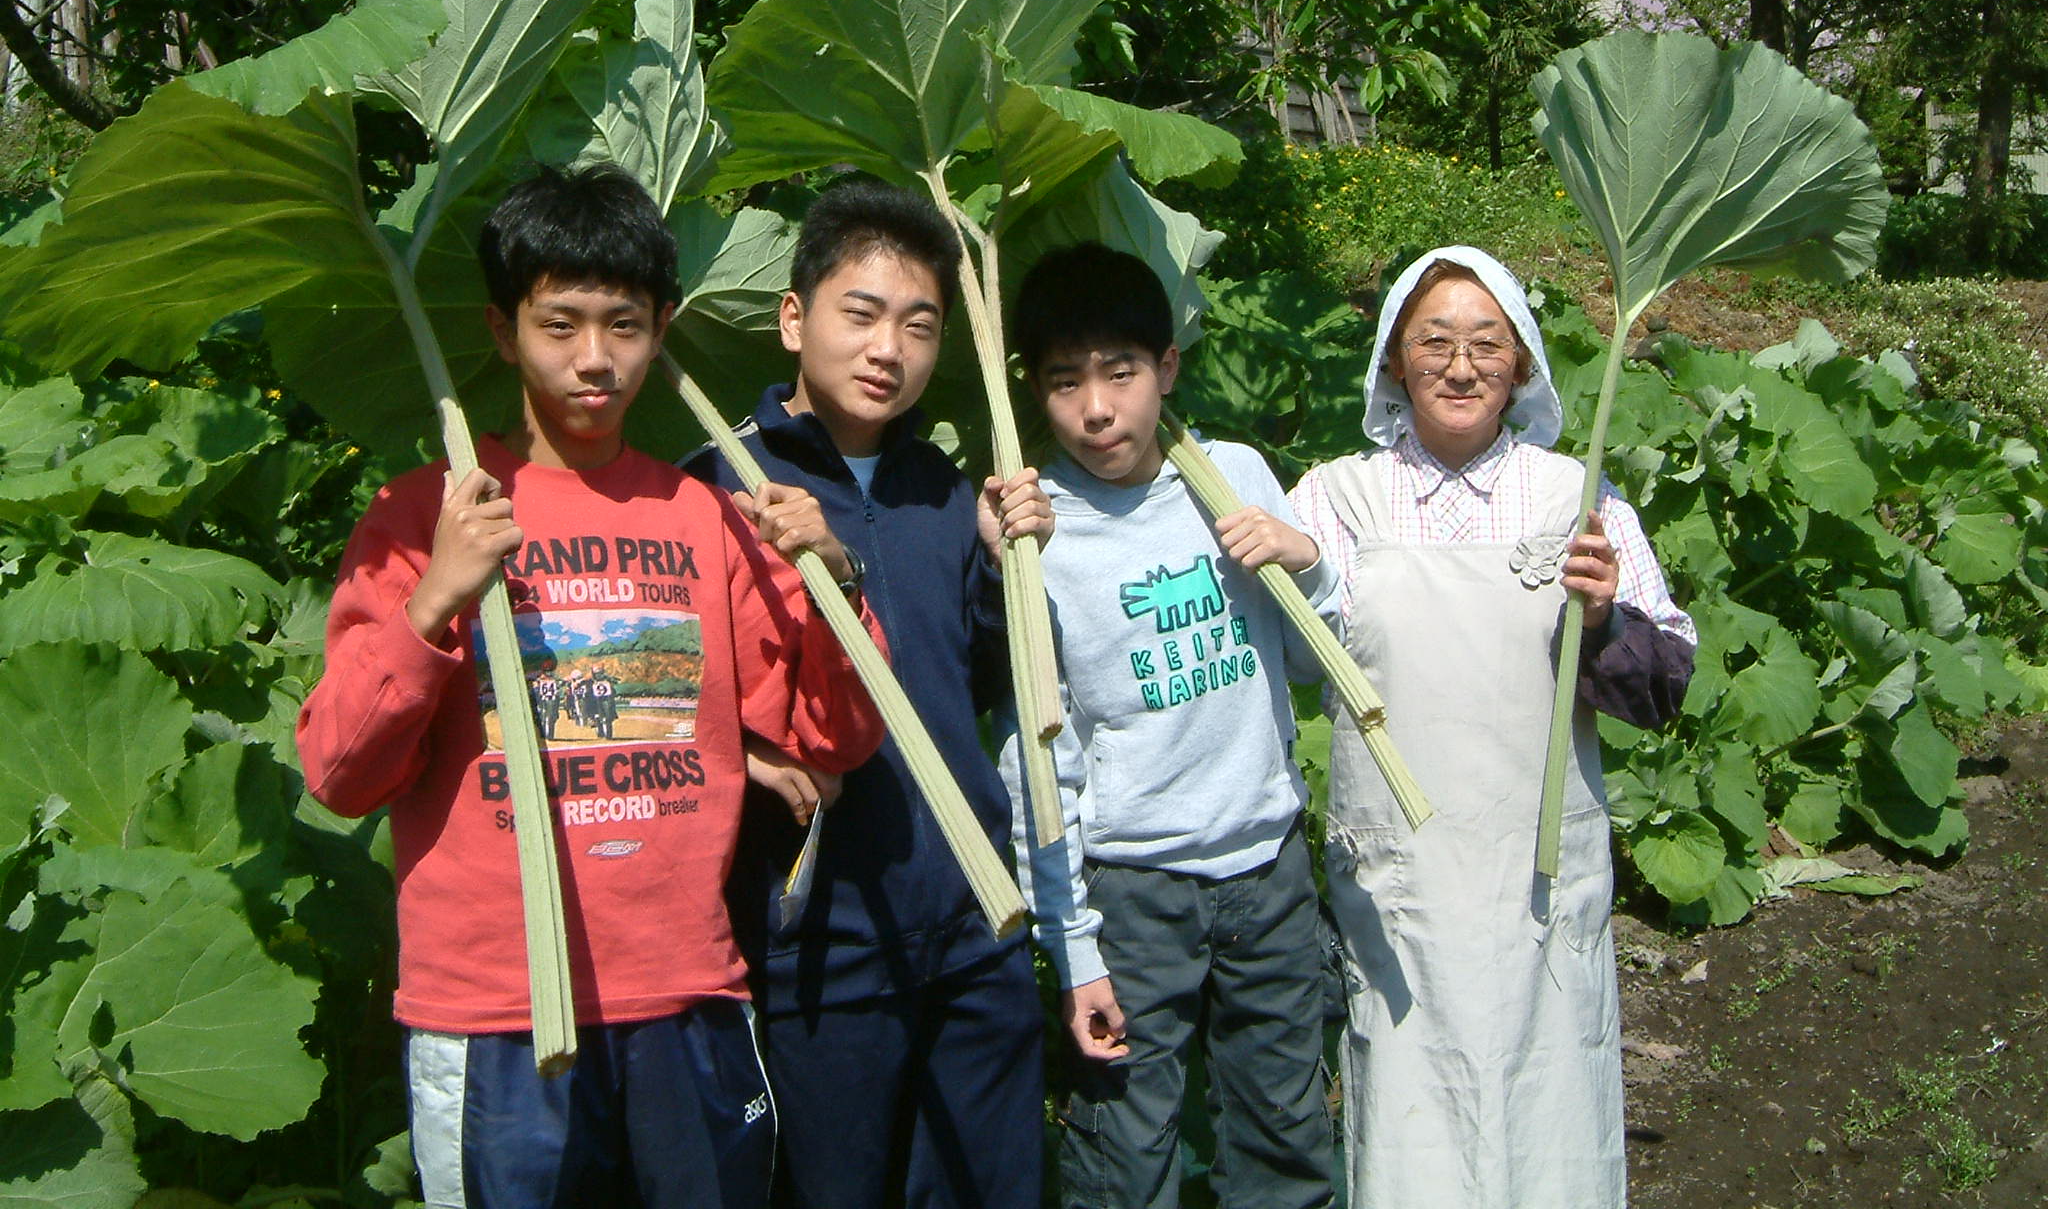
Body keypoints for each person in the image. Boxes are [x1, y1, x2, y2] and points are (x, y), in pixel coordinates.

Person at [297, 164, 886, 1209]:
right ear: (500, 327)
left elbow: (830, 737)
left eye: (621, 325)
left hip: (685, 994)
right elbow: (340, 772)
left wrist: (835, 581)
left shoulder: (697, 515)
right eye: (558, 324)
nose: (593, 360)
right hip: (495, 1014)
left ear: (662, 327)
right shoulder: (429, 513)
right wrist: (432, 601)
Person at [1288, 245, 1696, 1209]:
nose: (1460, 366)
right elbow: (1293, 661)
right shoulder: (1336, 498)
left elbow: (1664, 688)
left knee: (1547, 1105)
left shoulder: (1578, 499)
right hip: (1402, 887)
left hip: (1538, 879)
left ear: (1522, 365)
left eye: (1486, 343)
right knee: (1406, 1117)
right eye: (1433, 341)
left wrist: (1602, 621)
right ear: (1392, 359)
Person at [687, 180, 1052, 1209]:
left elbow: (981, 687)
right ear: (794, 318)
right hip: (820, 934)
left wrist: (997, 571)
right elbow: (671, 708)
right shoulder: (719, 488)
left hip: (974, 915)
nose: (887, 346)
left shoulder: (941, 489)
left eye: (917, 324)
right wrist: (747, 761)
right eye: (860, 314)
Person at [1004, 240, 1338, 1209]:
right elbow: (1042, 760)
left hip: (1266, 864)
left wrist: (1304, 562)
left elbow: (1331, 658)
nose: (1096, 409)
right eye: (1064, 382)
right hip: (1134, 885)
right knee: (1124, 1140)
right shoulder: (1040, 534)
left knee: (1283, 1127)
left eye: (1120, 372)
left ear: (1167, 369)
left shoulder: (1231, 478)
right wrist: (1071, 946)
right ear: (1033, 389)